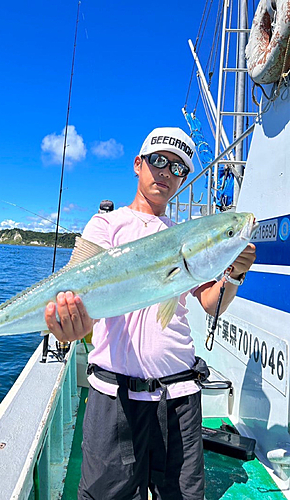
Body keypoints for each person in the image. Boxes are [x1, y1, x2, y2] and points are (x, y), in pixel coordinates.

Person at [44, 127, 256, 500]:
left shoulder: (184, 235)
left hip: (179, 396)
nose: (165, 172)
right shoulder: (106, 225)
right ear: (138, 164)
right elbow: (83, 302)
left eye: (177, 168)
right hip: (115, 396)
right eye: (158, 161)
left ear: (183, 179)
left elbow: (211, 303)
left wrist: (233, 273)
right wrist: (70, 325)